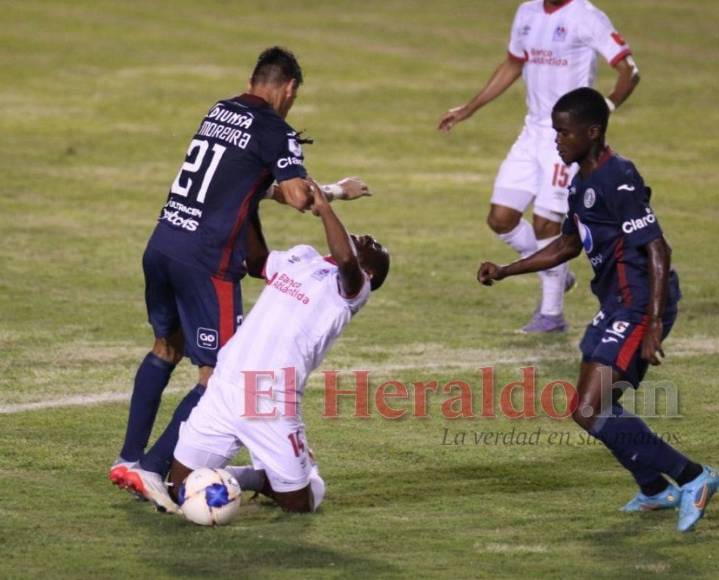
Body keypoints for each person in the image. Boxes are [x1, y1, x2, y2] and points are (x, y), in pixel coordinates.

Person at [110, 46, 371, 489]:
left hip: (164, 240)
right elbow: (297, 197)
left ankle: (128, 458)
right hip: (207, 260)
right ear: (288, 89)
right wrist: (338, 191)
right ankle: (152, 471)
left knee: (165, 348)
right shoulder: (275, 128)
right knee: (219, 377)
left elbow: (239, 185)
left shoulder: (219, 111)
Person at [477, 87, 719, 532]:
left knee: (591, 409)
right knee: (592, 409)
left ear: (592, 132)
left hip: (639, 306)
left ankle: (694, 477)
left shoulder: (618, 176)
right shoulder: (581, 183)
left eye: (564, 132)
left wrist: (651, 324)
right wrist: (506, 269)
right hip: (615, 306)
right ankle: (654, 489)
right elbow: (569, 245)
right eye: (555, 131)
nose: (557, 140)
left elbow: (658, 250)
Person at [127, 181, 390, 514]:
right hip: (224, 383)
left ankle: (258, 479)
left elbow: (347, 262)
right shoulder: (303, 257)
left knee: (300, 503)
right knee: (179, 489)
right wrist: (248, 201)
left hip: (269, 395)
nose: (367, 237)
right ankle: (237, 477)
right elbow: (257, 261)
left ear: (369, 272)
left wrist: (326, 209)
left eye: (374, 245)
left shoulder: (353, 289)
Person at [440, 0, 640, 333]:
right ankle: (557, 272)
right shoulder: (527, 13)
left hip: (567, 138)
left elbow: (628, 71)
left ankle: (551, 315)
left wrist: (600, 111)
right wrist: (469, 108)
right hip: (532, 131)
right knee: (501, 218)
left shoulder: (585, 16)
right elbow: (512, 64)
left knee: (547, 224)